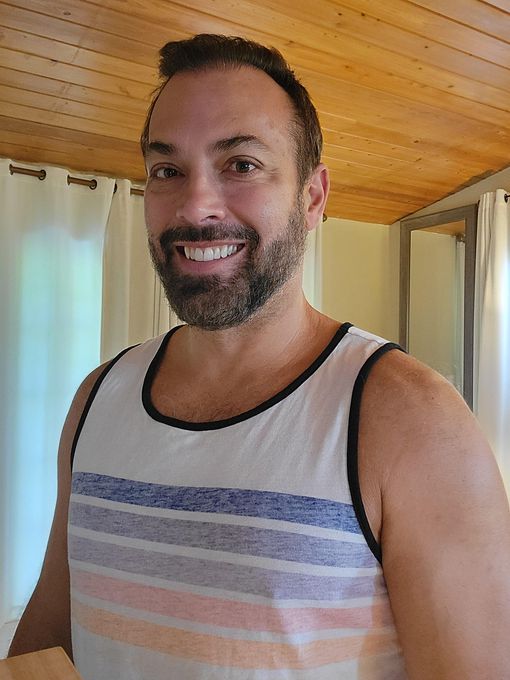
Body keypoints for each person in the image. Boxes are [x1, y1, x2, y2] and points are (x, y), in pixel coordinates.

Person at [8, 34, 510, 679]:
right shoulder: (97, 398)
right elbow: (48, 645)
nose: (194, 205)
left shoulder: (411, 419)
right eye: (167, 171)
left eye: (241, 164)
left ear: (312, 197)